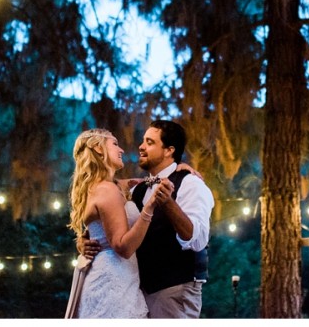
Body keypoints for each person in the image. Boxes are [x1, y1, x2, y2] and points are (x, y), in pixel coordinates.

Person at [81, 119, 214, 318]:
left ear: (169, 150)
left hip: (173, 290)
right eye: (143, 141)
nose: (141, 147)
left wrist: (167, 202)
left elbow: (197, 239)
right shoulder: (136, 189)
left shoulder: (191, 184)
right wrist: (84, 241)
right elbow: (105, 221)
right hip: (135, 293)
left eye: (150, 142)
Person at [66, 128, 172, 318]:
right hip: (113, 284)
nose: (121, 149)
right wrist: (150, 206)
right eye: (114, 144)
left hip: (119, 280)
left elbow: (140, 180)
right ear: (98, 148)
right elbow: (123, 247)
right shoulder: (107, 190)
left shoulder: (108, 186)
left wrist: (180, 168)